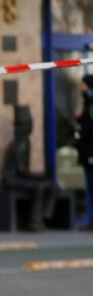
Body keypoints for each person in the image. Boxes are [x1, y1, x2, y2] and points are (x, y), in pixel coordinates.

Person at [0, 105, 59, 231]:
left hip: (19, 177)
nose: (31, 126)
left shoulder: (25, 142)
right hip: (11, 180)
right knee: (39, 187)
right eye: (28, 123)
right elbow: (21, 171)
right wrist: (37, 176)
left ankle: (45, 216)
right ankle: (35, 222)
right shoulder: (20, 144)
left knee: (52, 186)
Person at [77, 74, 93, 230]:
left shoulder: (91, 105)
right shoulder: (87, 104)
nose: (82, 88)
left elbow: (90, 129)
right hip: (87, 154)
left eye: (83, 85)